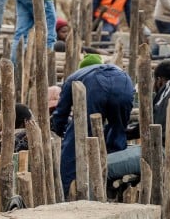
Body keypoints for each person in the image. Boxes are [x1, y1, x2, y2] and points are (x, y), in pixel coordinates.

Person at [50, 55, 134, 197]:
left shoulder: (75, 77)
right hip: (124, 83)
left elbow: (61, 113)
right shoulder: (117, 70)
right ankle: (113, 184)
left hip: (96, 87)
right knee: (117, 132)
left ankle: (66, 191)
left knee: (76, 137)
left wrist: (61, 131)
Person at [106, 59, 170, 183]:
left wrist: (119, 131)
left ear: (159, 80)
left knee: (100, 166)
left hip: (166, 154)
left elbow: (149, 125)